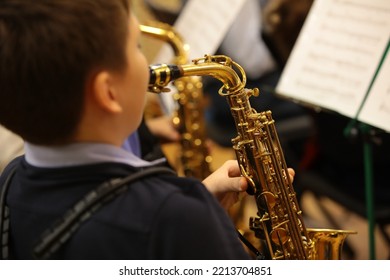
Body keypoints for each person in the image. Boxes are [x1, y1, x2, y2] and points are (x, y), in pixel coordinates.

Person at [0, 0, 254, 260]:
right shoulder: (173, 218)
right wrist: (199, 222)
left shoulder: (9, 181)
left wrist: (195, 209)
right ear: (108, 92)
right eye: (136, 47)